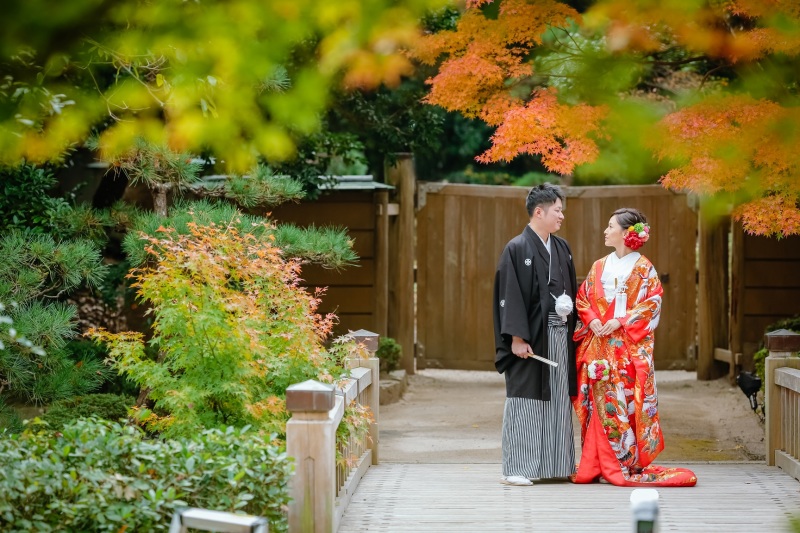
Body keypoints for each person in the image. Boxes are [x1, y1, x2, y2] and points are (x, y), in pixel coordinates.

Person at [571, 208, 696, 487]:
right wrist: (592, 321)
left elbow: (652, 304)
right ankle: (596, 463)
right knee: (597, 402)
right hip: (599, 344)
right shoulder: (599, 266)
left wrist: (620, 321)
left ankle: (622, 463)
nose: (605, 230)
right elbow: (583, 298)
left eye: (610, 225)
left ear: (627, 234)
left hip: (627, 348)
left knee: (623, 403)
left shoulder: (644, 268)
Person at [493, 183, 578, 486]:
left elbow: (569, 289)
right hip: (530, 340)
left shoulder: (562, 247)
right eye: (557, 210)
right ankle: (516, 468)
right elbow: (509, 294)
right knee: (525, 400)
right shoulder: (517, 247)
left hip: (559, 335)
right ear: (538, 212)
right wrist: (516, 337)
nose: (561, 216)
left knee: (557, 398)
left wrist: (569, 307)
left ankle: (556, 465)